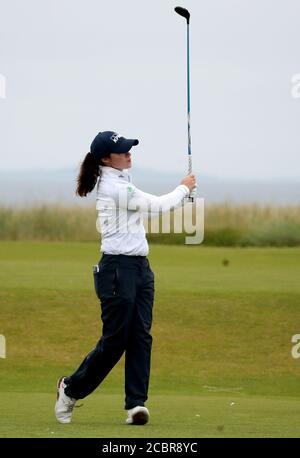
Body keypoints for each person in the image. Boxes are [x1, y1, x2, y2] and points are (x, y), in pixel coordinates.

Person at [55, 131, 197, 425]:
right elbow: (157, 206)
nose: (129, 153)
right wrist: (184, 189)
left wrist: (182, 193)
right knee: (115, 340)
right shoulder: (112, 187)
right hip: (117, 270)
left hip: (141, 269)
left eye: (129, 148)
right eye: (123, 151)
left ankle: (135, 405)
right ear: (107, 159)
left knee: (141, 336)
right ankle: (70, 389)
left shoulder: (122, 179)